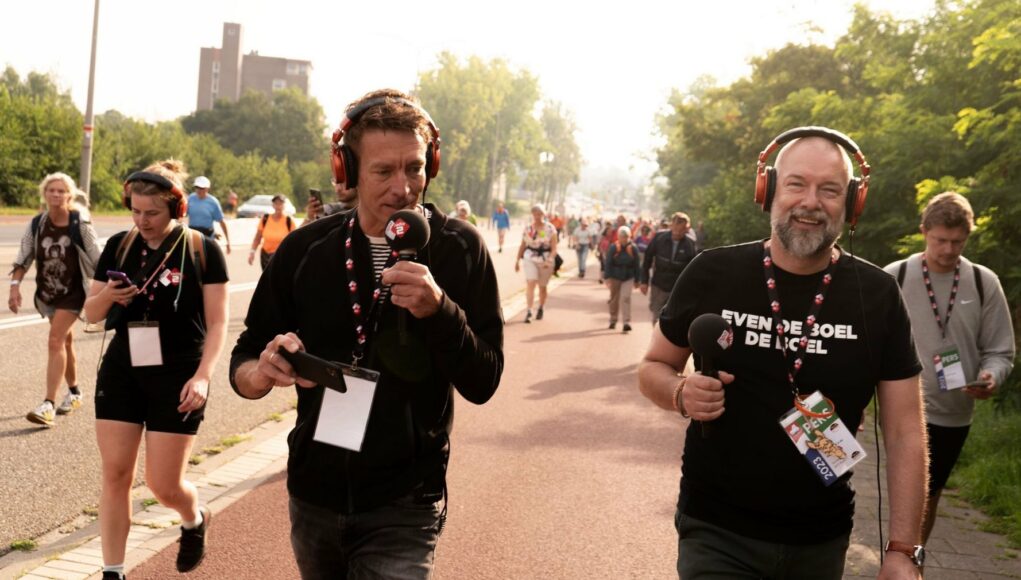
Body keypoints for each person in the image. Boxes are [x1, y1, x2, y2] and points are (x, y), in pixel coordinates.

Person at [229, 89, 504, 579]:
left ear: (431, 164)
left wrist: (440, 310)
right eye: (384, 171)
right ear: (347, 172)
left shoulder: (461, 249)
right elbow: (246, 357)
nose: (403, 188)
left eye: (415, 168)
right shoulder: (305, 250)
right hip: (313, 493)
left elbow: (484, 381)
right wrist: (260, 372)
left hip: (406, 500)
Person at [638, 128, 927, 579]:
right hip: (717, 529)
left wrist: (903, 551)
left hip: (822, 539)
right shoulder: (713, 272)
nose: (810, 201)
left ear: (851, 203)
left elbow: (905, 429)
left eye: (829, 189)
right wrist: (679, 393)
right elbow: (653, 366)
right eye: (796, 184)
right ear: (768, 190)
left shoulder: (879, 296)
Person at [83, 160, 229, 579]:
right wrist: (109, 295)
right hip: (123, 370)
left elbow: (218, 322)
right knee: (115, 474)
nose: (142, 220)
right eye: (135, 210)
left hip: (180, 373)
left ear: (176, 208)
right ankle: (113, 570)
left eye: (152, 212)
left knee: (164, 485)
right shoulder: (118, 246)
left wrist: (203, 376)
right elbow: (90, 314)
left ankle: (193, 517)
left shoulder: (202, 249)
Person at [884, 191, 1015, 544]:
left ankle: (913, 557)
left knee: (929, 494)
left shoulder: (982, 282)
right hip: (900, 406)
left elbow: (1001, 351)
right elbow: (866, 342)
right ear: (924, 231)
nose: (948, 250)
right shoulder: (894, 277)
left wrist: (992, 377)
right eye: (941, 240)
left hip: (953, 414)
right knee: (902, 491)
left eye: (958, 242)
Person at [9, 173, 101, 427]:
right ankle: (74, 392)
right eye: (52, 190)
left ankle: (47, 404)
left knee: (55, 340)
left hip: (74, 293)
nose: (56, 195)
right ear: (45, 194)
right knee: (66, 342)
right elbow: (23, 256)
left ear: (70, 196)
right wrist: (15, 287)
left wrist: (105, 291)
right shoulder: (37, 223)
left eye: (62, 191)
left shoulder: (79, 223)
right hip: (47, 293)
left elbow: (98, 258)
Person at [640, 212, 699, 325]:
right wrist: (644, 281)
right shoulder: (659, 238)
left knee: (671, 318)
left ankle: (664, 339)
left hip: (676, 287)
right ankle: (657, 335)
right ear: (671, 225)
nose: (676, 232)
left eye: (680, 230)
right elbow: (647, 258)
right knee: (656, 315)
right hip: (658, 284)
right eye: (674, 228)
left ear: (687, 229)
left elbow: (693, 269)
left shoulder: (690, 244)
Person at [515, 203, 558, 323]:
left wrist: (549, 260)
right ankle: (529, 310)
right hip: (530, 257)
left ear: (544, 214)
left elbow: (554, 248)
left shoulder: (550, 228)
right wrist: (517, 260)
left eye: (539, 213)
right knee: (531, 282)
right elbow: (523, 245)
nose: (537, 216)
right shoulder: (528, 228)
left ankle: (541, 307)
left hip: (545, 259)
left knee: (542, 287)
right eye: (535, 213)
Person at [603, 225, 640, 332]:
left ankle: (626, 322)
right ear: (618, 237)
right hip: (615, 276)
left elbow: (637, 265)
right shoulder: (614, 247)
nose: (624, 238)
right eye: (622, 236)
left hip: (628, 277)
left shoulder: (633, 248)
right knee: (614, 299)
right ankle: (613, 320)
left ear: (629, 237)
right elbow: (608, 263)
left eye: (626, 236)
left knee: (625, 298)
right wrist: (607, 277)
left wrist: (637, 280)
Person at [248, 195, 296, 270]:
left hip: (281, 256)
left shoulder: (288, 221)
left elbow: (294, 240)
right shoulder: (265, 219)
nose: (278, 206)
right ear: (273, 205)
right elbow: (258, 237)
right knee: (266, 279)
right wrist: (252, 252)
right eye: (276, 203)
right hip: (266, 255)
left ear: (284, 205)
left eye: (280, 203)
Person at [186, 176, 231, 254]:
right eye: (197, 187)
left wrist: (228, 241)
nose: (199, 190)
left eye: (201, 188)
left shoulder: (213, 202)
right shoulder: (190, 199)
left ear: (207, 189)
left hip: (207, 235)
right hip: (192, 234)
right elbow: (181, 216)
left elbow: (221, 221)